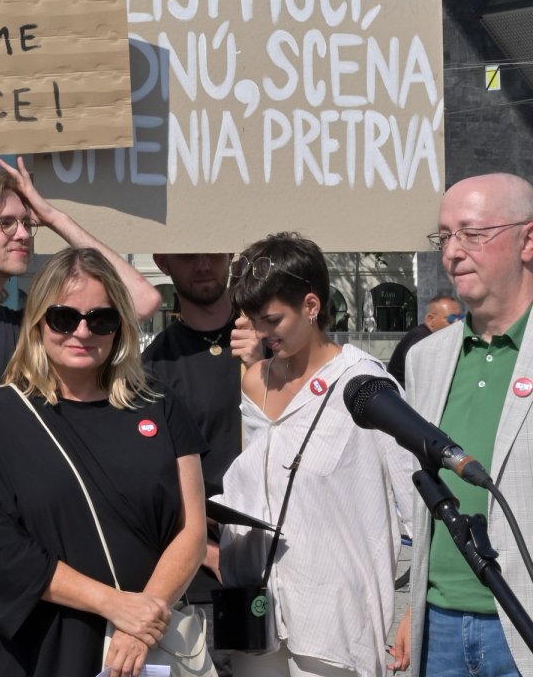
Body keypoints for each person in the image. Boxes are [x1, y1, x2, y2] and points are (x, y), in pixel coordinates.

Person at [0, 157, 160, 676]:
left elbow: (142, 298)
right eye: (5, 224)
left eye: (27, 223)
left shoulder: (37, 331)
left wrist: (54, 215)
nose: (23, 233)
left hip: (49, 566)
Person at [0, 247, 207, 677]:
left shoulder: (161, 405)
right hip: (46, 644)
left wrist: (140, 624)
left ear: (119, 325)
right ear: (37, 322)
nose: (82, 332)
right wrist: (115, 605)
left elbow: (191, 530)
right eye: (63, 318)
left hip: (148, 645)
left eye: (100, 319)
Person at [219, 232, 412, 676]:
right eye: (253, 321)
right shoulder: (256, 380)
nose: (263, 334)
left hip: (336, 625)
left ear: (311, 306)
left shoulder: (365, 385)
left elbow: (417, 500)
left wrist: (413, 608)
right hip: (258, 616)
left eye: (271, 320)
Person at [399, 173, 533, 676]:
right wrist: (414, 608)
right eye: (444, 236)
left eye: (472, 233)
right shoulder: (426, 359)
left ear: (528, 239)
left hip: (520, 625)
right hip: (440, 625)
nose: (452, 252)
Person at [141, 253, 263, 676]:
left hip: (279, 558)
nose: (203, 265)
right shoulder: (155, 364)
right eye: (188, 256)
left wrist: (263, 364)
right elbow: (152, 479)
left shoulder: (269, 341)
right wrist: (203, 548)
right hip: (206, 576)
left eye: (212, 252)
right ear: (163, 262)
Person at [385, 294, 462, 385]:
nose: (458, 323)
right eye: (451, 318)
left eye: (460, 318)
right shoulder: (421, 341)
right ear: (431, 320)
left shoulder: (433, 339)